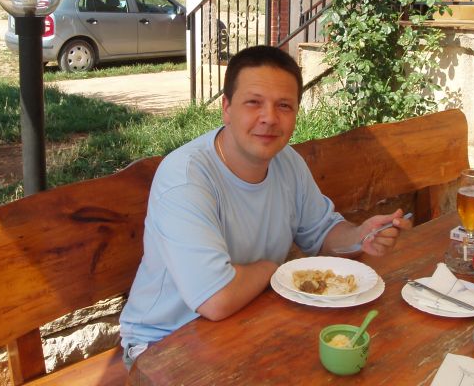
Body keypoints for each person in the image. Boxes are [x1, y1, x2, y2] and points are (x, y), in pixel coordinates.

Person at [119, 45, 411, 368]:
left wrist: (360, 235)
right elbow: (216, 299)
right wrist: (274, 270)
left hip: (247, 321)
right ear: (227, 108)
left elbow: (323, 233)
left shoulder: (287, 162)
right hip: (162, 346)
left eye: (284, 105)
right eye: (254, 102)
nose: (270, 118)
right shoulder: (186, 178)